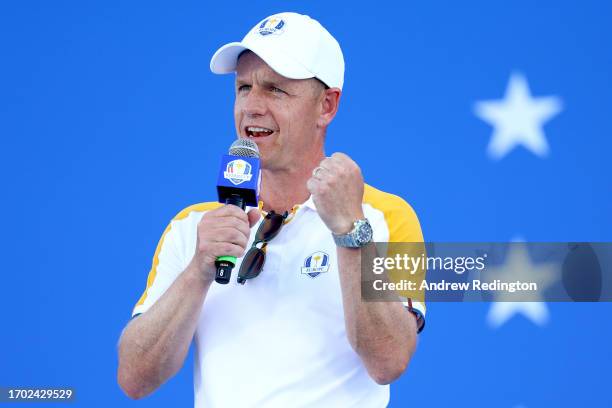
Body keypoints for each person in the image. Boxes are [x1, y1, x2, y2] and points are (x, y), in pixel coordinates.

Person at [117, 12, 425, 407]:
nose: (252, 107)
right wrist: (198, 270)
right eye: (243, 87)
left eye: (275, 90)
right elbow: (134, 378)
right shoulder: (192, 227)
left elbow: (389, 361)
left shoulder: (384, 218)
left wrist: (351, 233)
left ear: (326, 106)